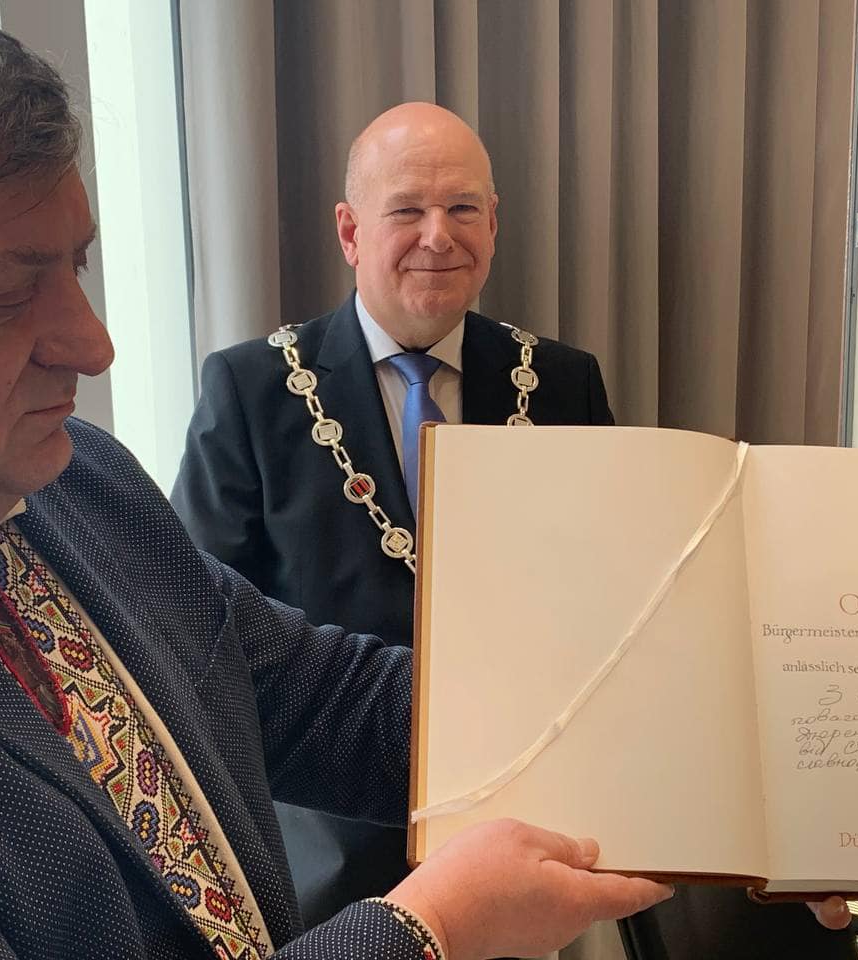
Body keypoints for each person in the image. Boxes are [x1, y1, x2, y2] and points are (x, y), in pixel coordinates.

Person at [0, 3, 671, 958]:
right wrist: (430, 930)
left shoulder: (84, 482)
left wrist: (675, 728)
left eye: (77, 268)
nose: (93, 344)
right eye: (6, 295)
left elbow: (317, 698)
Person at [172, 101, 615, 927]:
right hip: (328, 871)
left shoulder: (562, 383)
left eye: (463, 208)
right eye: (407, 210)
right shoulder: (252, 391)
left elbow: (612, 600)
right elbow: (194, 632)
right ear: (350, 232)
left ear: (494, 224)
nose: (438, 236)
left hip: (526, 834)